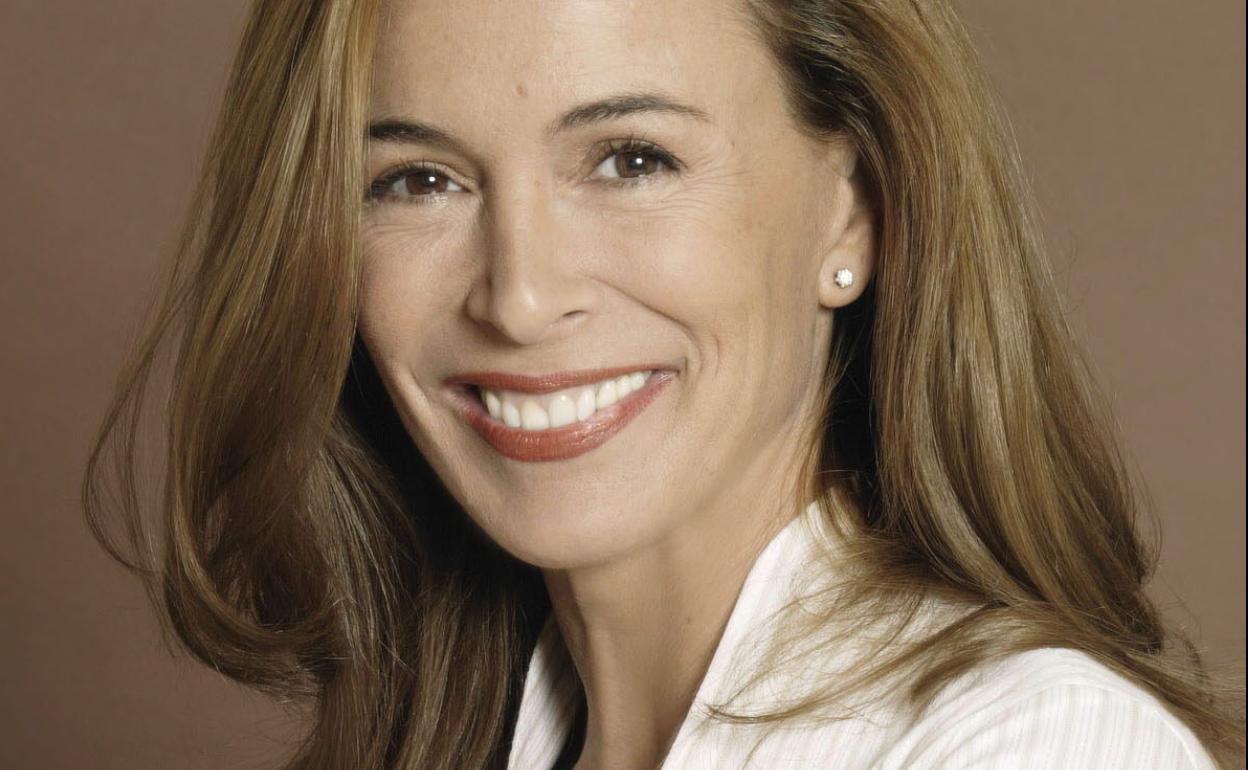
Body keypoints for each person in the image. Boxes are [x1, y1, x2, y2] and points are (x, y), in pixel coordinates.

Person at [84, 0, 1244, 768]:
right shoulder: (456, 733)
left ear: (856, 210)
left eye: (632, 160)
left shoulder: (1035, 744)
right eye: (417, 179)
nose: (519, 296)